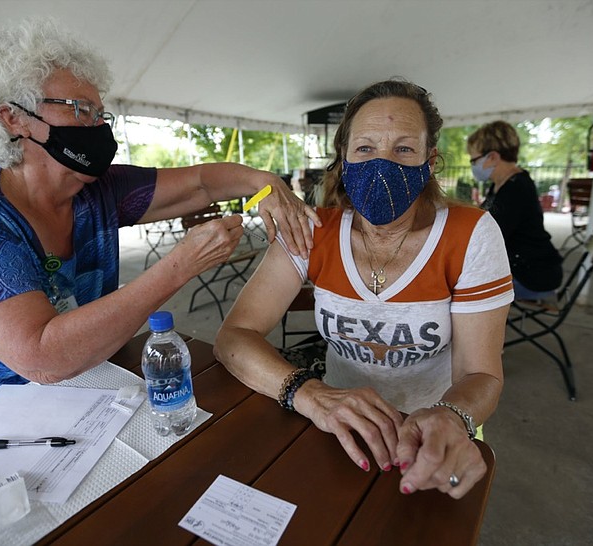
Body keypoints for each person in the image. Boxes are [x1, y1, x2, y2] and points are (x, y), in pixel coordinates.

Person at [0, 19, 319, 451]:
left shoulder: (99, 192)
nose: (98, 128)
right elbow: (42, 357)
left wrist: (268, 183)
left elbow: (203, 181)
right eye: (80, 110)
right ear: (13, 118)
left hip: (67, 410)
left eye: (101, 113)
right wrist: (179, 265)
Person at [214, 79, 513, 499]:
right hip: (335, 424)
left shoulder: (470, 234)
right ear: (344, 159)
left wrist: (449, 417)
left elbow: (481, 375)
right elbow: (233, 339)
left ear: (430, 162)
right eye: (365, 148)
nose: (382, 163)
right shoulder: (311, 231)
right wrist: (309, 393)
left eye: (404, 149)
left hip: (434, 432)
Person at [467, 120, 563, 301]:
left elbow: (487, 237)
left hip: (532, 276)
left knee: (458, 286)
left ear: (493, 157)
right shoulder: (501, 185)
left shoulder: (516, 189)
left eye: (474, 160)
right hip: (526, 268)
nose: (473, 165)